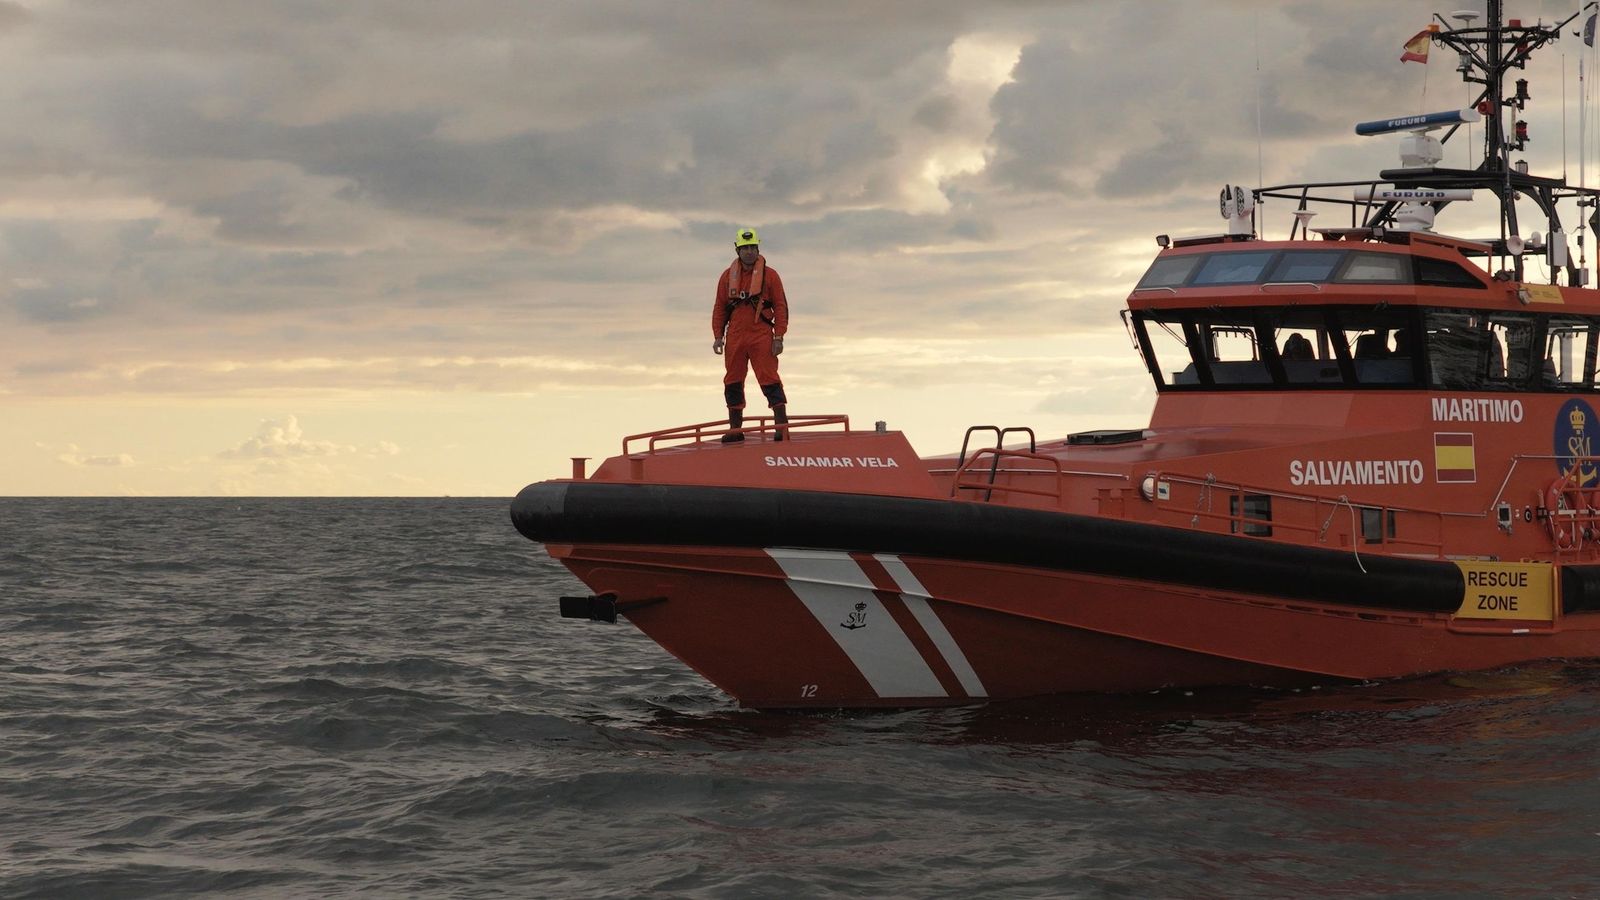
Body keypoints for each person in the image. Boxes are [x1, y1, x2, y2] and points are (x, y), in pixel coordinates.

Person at [713, 227, 789, 442]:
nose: (749, 252)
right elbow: (720, 307)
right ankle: (735, 430)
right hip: (735, 336)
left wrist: (779, 336)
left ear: (758, 248)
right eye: (745, 248)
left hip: (761, 334)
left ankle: (781, 428)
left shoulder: (770, 276)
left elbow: (781, 306)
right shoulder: (727, 277)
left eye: (752, 247)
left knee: (769, 379)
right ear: (737, 249)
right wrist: (718, 336)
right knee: (733, 381)